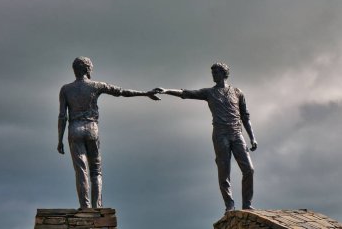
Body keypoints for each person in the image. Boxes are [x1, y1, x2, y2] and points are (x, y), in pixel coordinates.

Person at [58, 56, 160, 209]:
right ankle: (97, 207)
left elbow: (62, 116)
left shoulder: (65, 89)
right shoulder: (96, 85)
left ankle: (85, 207)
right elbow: (121, 91)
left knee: (81, 170)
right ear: (87, 69)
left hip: (74, 130)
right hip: (92, 128)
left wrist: (59, 139)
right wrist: (145, 93)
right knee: (96, 170)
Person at [155, 62, 257, 212]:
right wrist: (166, 90)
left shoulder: (237, 92)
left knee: (249, 169)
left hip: (237, 133)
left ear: (224, 73)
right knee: (224, 171)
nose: (213, 75)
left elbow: (245, 116)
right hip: (220, 135)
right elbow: (187, 93)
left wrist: (252, 137)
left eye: (216, 72)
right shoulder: (209, 93)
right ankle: (229, 205)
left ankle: (247, 204)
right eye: (212, 73)